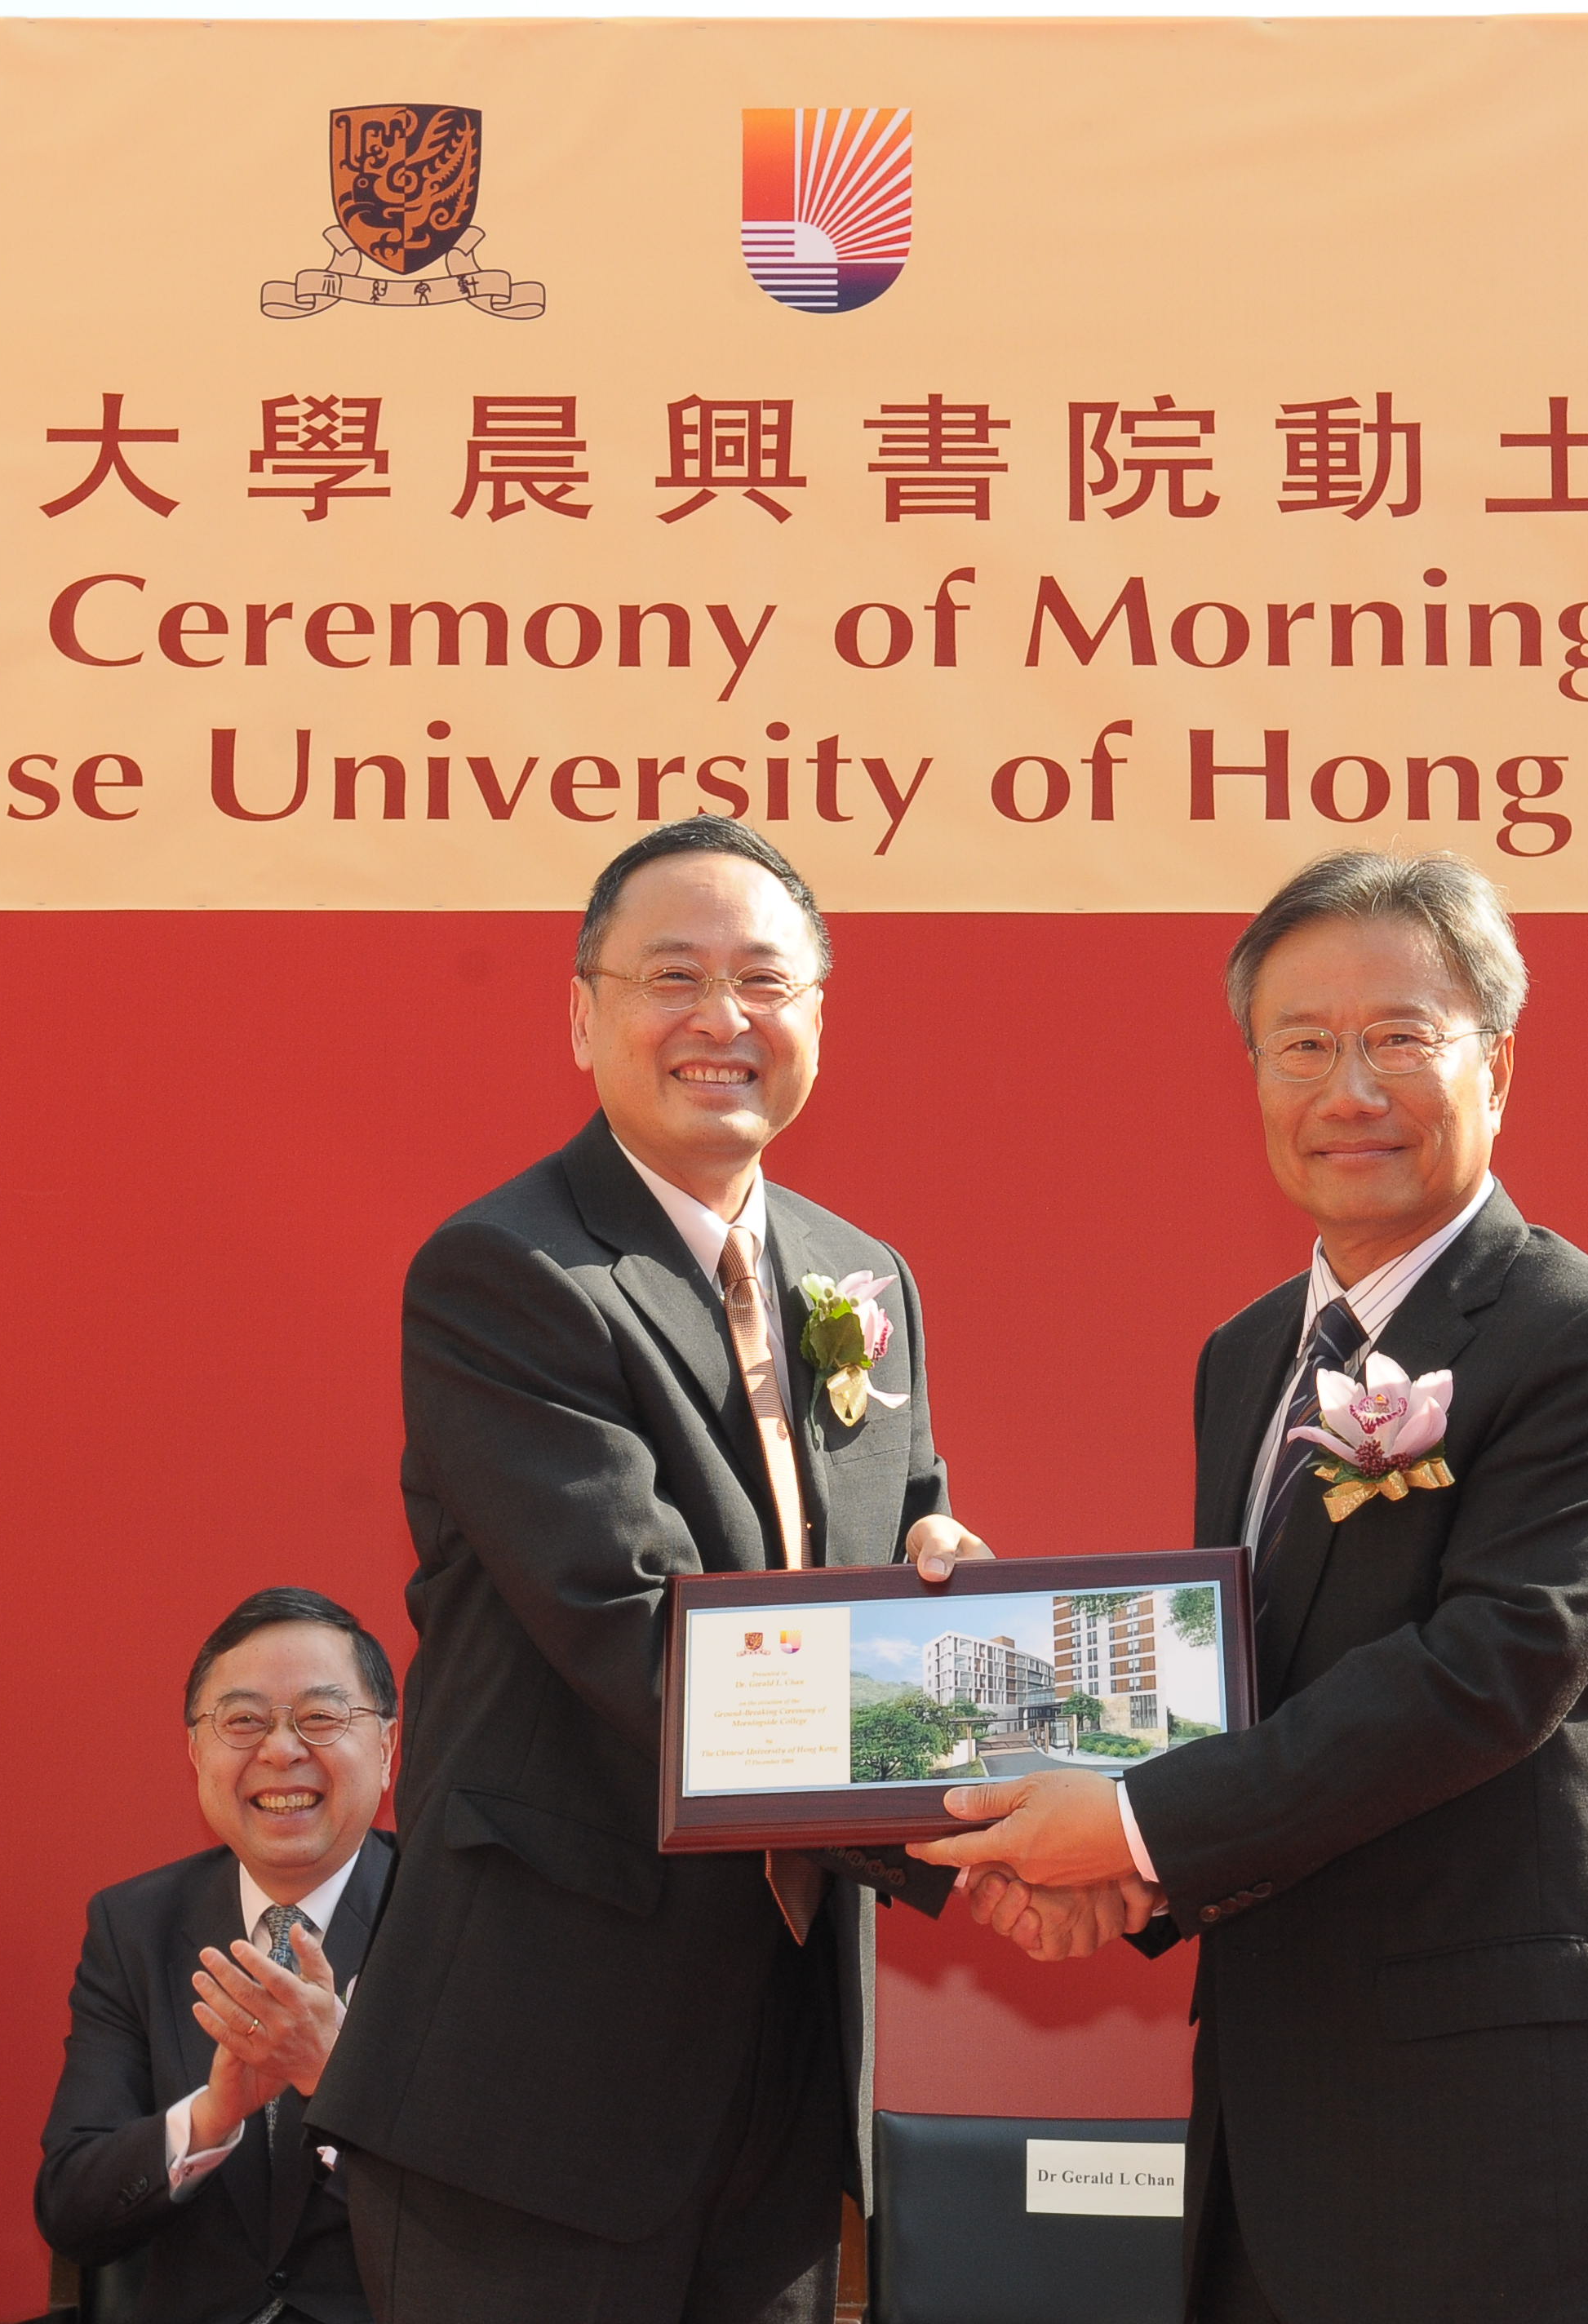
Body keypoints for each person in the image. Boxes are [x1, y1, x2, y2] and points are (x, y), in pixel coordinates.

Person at [916, 849, 1588, 2324]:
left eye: (1400, 1037)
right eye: (1302, 1043)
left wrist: (1134, 1823)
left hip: (1493, 2139)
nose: (1348, 1088)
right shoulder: (1245, 1356)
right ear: (1254, 1073)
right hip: (1274, 2125)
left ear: (1497, 1064)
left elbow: (1481, 1676)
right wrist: (1087, 1811)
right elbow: (1248, 1682)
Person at [308, 816, 995, 2324]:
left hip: (780, 2067)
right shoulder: (509, 1271)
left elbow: (907, 1546)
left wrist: (959, 1593)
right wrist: (992, 1808)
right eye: (670, 975)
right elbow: (642, 1635)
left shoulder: (860, 1275)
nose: (719, 1019)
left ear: (819, 1011)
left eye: (764, 979)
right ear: (580, 1012)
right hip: (540, 2087)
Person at [36, 1588, 403, 2324]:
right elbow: (72, 2210)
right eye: (243, 1721)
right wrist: (211, 2119)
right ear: (196, 1751)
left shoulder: (454, 1919)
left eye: (321, 1718)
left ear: (389, 1748)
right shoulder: (135, 1925)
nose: (280, 1749)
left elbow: (507, 2213)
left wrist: (333, 2076)